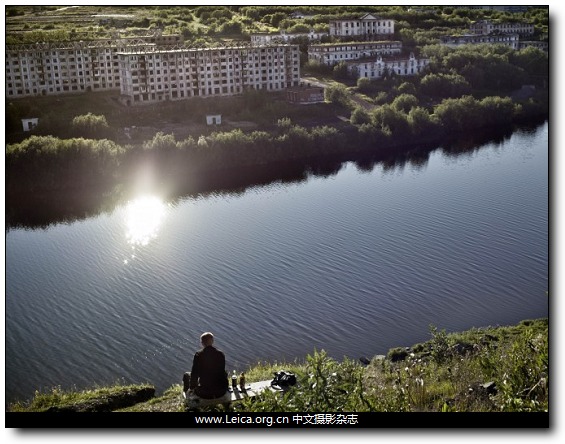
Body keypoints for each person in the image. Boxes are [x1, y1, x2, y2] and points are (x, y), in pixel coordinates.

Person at [183, 332, 228, 399]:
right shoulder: (221, 354)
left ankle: (188, 396)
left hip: (205, 393)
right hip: (222, 391)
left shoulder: (199, 355)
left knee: (186, 375)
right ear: (212, 341)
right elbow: (222, 371)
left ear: (202, 343)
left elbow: (194, 374)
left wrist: (192, 387)